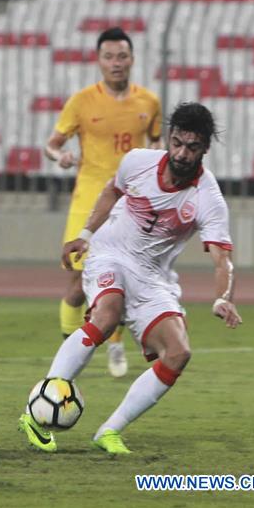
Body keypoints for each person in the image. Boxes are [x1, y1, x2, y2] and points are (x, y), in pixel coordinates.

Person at [19, 102, 241, 454]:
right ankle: (35, 412)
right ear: (169, 138)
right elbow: (111, 191)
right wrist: (86, 234)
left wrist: (222, 298)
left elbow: (222, 260)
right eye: (178, 143)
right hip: (110, 253)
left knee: (179, 352)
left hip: (154, 277)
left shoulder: (208, 198)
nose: (183, 154)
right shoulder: (138, 161)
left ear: (205, 149)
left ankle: (109, 431)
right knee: (107, 314)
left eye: (193, 147)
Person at [44, 27, 162, 377]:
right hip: (88, 200)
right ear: (98, 61)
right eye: (109, 56)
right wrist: (59, 155)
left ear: (132, 59)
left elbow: (156, 142)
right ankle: (70, 346)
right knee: (77, 285)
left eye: (122, 56)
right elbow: (51, 143)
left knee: (122, 276)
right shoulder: (81, 101)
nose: (116, 63)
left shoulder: (149, 102)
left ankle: (114, 344)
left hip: (130, 204)